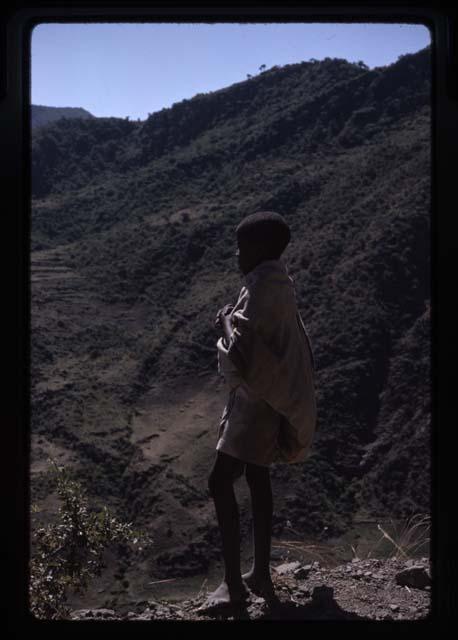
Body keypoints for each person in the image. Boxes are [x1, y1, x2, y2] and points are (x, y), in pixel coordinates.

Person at [198, 211, 317, 613]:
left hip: (255, 405)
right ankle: (261, 571)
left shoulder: (264, 287)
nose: (237, 254)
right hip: (272, 397)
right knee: (257, 474)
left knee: (219, 482)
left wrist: (226, 321)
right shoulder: (278, 281)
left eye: (242, 246)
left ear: (261, 249)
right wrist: (235, 319)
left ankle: (233, 586)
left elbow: (244, 349)